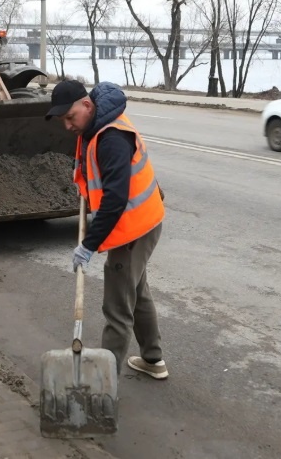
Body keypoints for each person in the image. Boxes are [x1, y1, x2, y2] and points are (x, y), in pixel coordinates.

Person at [46, 79, 168, 380]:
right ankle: (153, 359)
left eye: (70, 117)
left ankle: (101, 385)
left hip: (132, 228)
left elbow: (115, 199)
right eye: (63, 120)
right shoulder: (97, 126)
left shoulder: (110, 137)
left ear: (87, 106)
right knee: (137, 291)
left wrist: (89, 244)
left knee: (117, 308)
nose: (68, 126)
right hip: (144, 220)